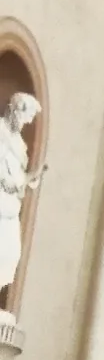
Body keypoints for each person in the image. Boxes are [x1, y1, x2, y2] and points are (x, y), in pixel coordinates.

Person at [0, 90, 42, 304]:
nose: (24, 125)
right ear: (14, 111)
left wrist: (31, 180)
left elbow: (20, 176)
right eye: (24, 119)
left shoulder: (20, 144)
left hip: (9, 207)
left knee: (11, 254)